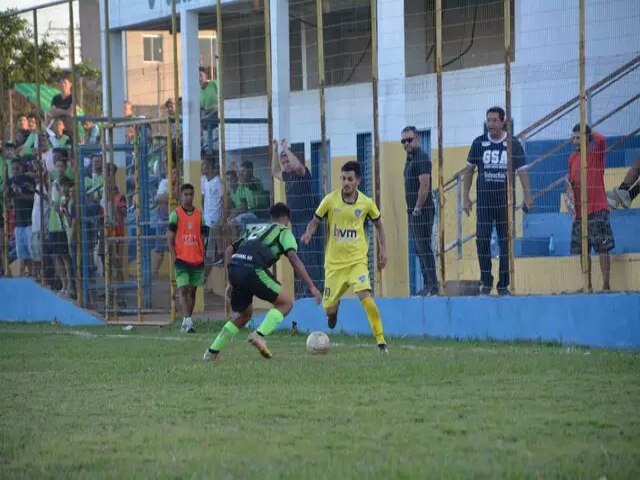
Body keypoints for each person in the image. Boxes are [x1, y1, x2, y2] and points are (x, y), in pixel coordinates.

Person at [204, 203, 321, 361]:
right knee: (286, 303)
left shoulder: (255, 229)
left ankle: (212, 352)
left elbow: (229, 250)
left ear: (270, 218)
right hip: (253, 269)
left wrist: (230, 282)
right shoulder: (283, 231)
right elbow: (293, 257)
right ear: (286, 220)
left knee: (244, 315)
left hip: (235, 267)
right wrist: (312, 287)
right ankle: (259, 335)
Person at [302, 161, 389, 353]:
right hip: (333, 264)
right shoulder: (330, 200)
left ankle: (381, 342)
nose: (346, 182)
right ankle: (333, 312)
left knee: (365, 296)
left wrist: (383, 250)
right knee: (329, 310)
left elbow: (379, 226)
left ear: (358, 180)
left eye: (350, 179)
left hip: (357, 261)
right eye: (343, 178)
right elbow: (315, 221)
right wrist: (308, 233)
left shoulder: (366, 203)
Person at [462, 106, 533, 295]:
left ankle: (503, 284)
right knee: (482, 239)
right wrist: (465, 198)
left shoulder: (513, 144)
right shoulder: (479, 143)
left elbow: (523, 171)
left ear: (502, 122)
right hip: (484, 203)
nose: (491, 124)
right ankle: (486, 280)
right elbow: (468, 171)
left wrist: (527, 196)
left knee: (505, 243)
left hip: (505, 203)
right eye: (488, 120)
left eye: (494, 120)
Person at [271, 138, 324, 297]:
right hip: (295, 225)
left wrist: (286, 149)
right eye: (284, 161)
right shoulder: (287, 176)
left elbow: (297, 166)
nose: (286, 163)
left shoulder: (303, 173)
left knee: (311, 261)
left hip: (309, 225)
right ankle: (303, 293)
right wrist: (275, 151)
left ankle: (316, 291)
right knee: (299, 259)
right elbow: (274, 171)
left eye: (288, 160)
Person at [565, 124, 613, 291]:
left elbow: (602, 140)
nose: (575, 141)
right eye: (574, 137)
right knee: (582, 250)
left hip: (597, 208)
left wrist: (590, 132)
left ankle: (606, 285)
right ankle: (588, 285)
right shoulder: (572, 158)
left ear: (586, 137)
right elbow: (571, 181)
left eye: (578, 137)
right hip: (579, 212)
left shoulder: (596, 153)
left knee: (603, 248)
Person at [401, 126, 438, 295]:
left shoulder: (421, 158)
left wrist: (417, 208)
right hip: (413, 211)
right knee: (419, 249)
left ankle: (432, 285)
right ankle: (428, 284)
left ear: (417, 139)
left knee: (424, 247)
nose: (406, 143)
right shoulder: (410, 159)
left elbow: (424, 185)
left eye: (409, 140)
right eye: (403, 141)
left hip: (421, 211)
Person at [167, 183, 208, 333]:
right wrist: (174, 257)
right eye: (186, 194)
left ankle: (186, 321)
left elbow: (203, 237)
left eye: (191, 194)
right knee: (183, 289)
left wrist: (203, 255)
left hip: (197, 259)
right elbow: (170, 238)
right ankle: (189, 321)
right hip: (181, 260)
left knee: (192, 291)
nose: (189, 197)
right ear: (180, 196)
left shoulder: (199, 215)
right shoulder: (175, 215)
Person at [48, 156, 74, 297]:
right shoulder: (54, 183)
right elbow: (53, 203)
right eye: (57, 166)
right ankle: (63, 285)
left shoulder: (68, 183)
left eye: (61, 166)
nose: (59, 169)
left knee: (65, 256)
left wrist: (59, 206)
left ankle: (70, 285)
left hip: (63, 225)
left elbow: (63, 204)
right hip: (53, 223)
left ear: (65, 167)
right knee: (56, 256)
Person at [9, 161, 36, 276]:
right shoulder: (10, 181)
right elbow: (8, 200)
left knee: (32, 254)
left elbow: (34, 198)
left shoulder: (28, 180)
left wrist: (19, 193)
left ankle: (33, 275)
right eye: (13, 169)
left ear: (22, 168)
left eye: (17, 168)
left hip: (30, 222)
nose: (15, 171)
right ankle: (22, 275)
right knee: (21, 254)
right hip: (18, 223)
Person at [202, 158, 224, 275]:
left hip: (215, 218)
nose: (202, 167)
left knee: (209, 255)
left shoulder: (217, 181)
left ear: (210, 167)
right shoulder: (205, 181)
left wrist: (223, 216)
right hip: (206, 219)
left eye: (204, 165)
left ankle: (221, 254)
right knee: (205, 253)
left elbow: (223, 198)